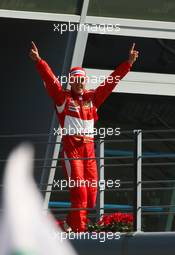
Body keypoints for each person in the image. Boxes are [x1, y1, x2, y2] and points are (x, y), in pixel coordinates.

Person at [29, 41, 139, 232]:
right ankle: (80, 233)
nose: (79, 83)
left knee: (91, 197)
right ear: (71, 81)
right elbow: (51, 80)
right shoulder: (63, 98)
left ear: (85, 82)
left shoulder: (93, 98)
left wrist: (127, 64)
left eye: (82, 80)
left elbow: (111, 82)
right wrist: (39, 61)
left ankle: (67, 224)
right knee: (79, 191)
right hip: (72, 149)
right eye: (76, 80)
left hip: (89, 151)